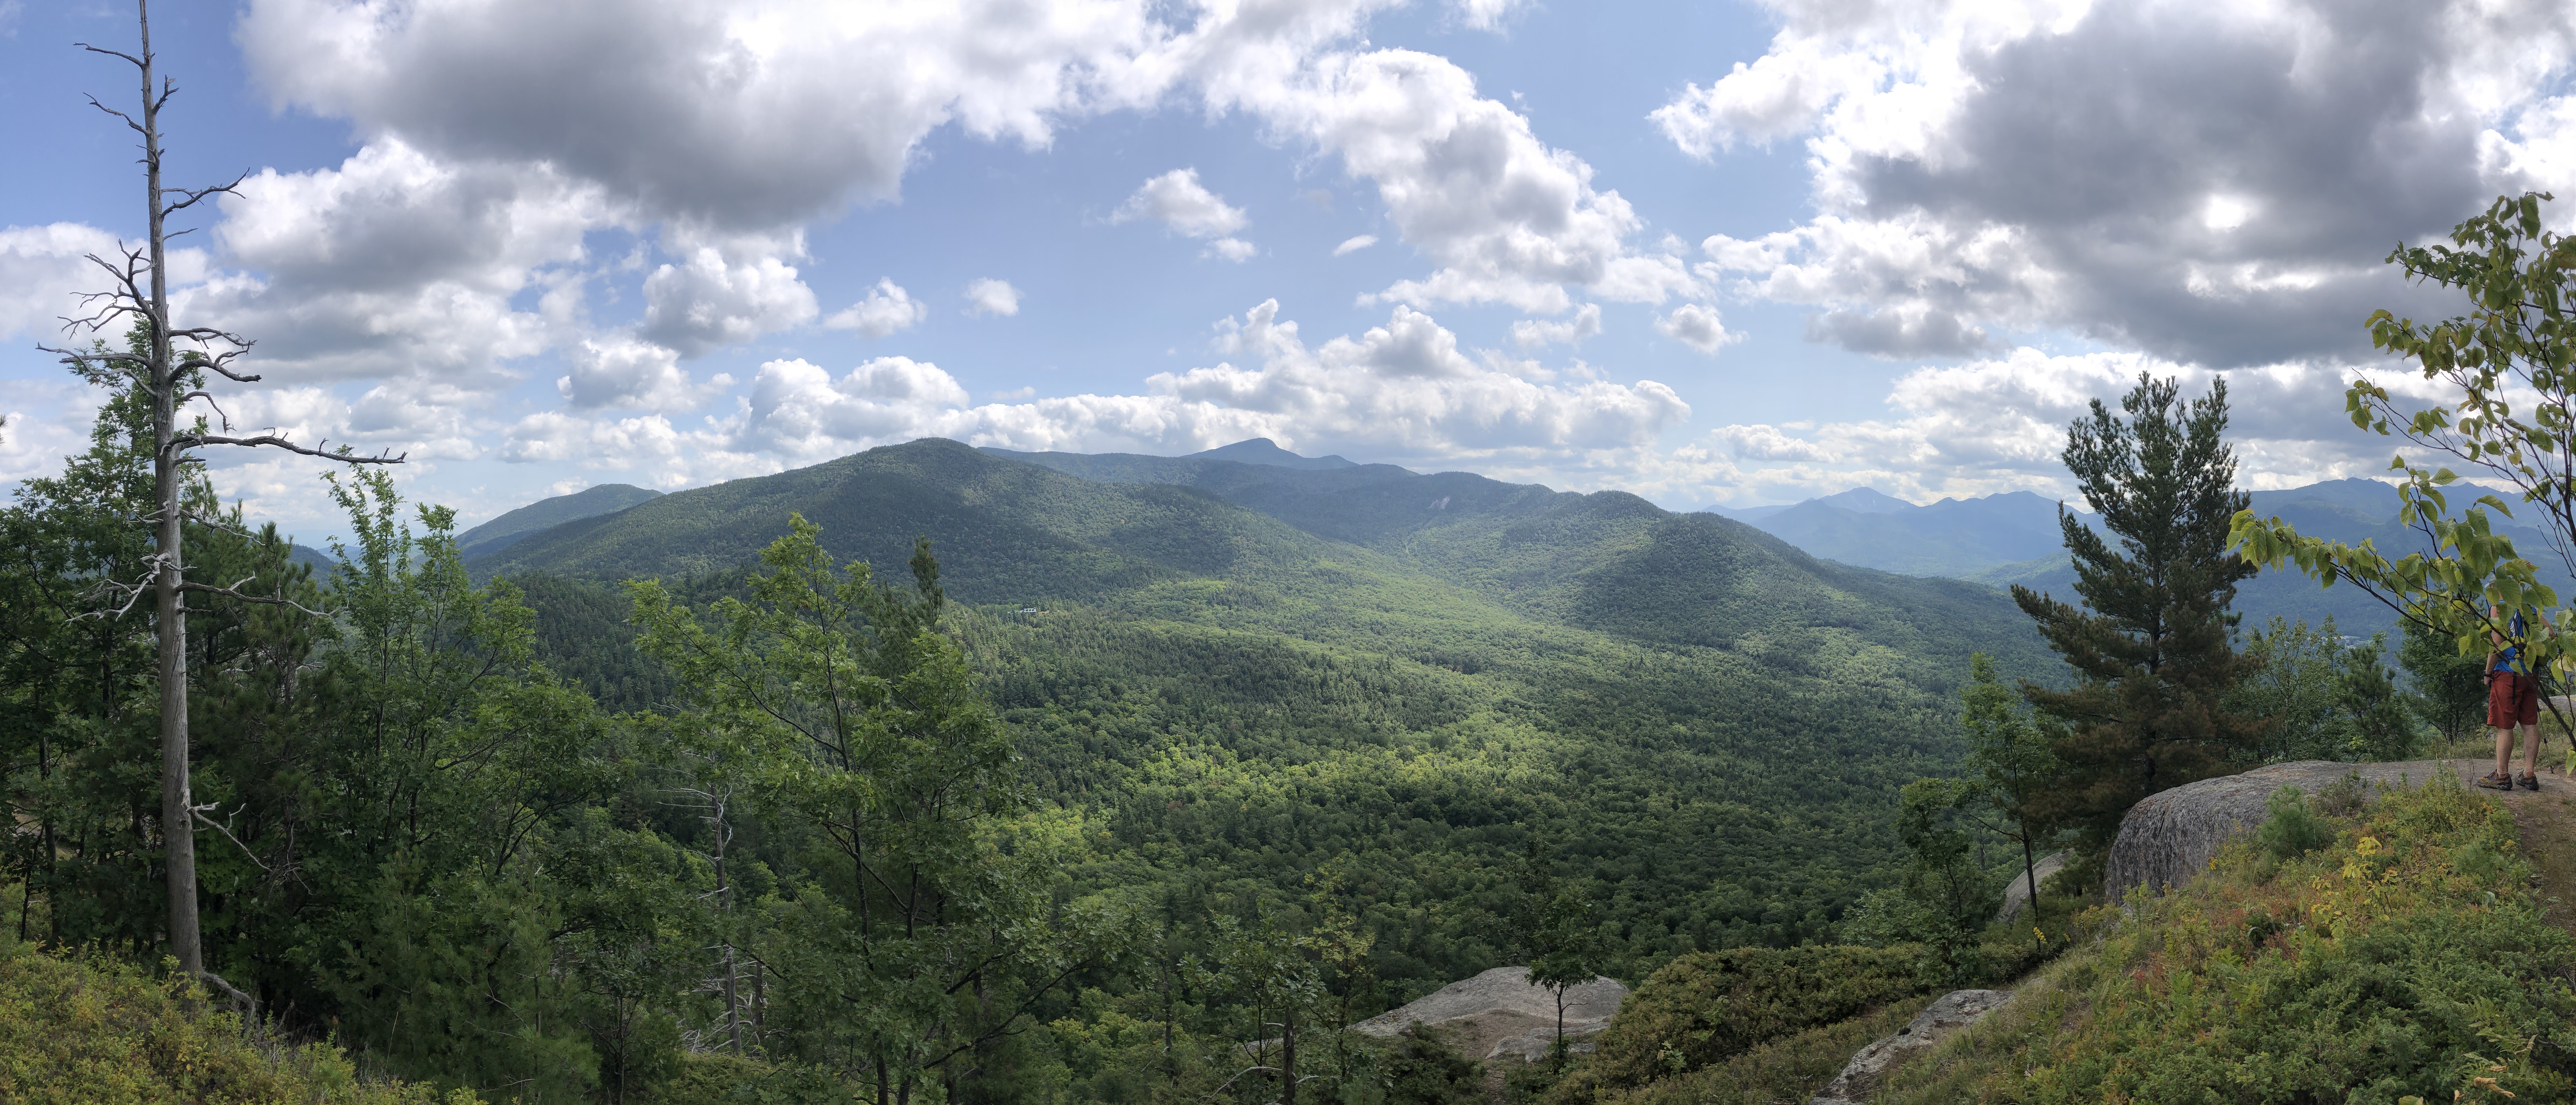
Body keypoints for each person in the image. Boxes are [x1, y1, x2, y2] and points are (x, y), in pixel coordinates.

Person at [2481, 602, 2543, 791]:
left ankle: (2502, 775)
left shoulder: (2498, 608)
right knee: (2530, 724)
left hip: (2508, 673)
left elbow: (2497, 645)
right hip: (2531, 674)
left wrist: (2488, 673)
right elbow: (2549, 633)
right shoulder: (2529, 606)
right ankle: (2529, 775)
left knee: (2504, 726)